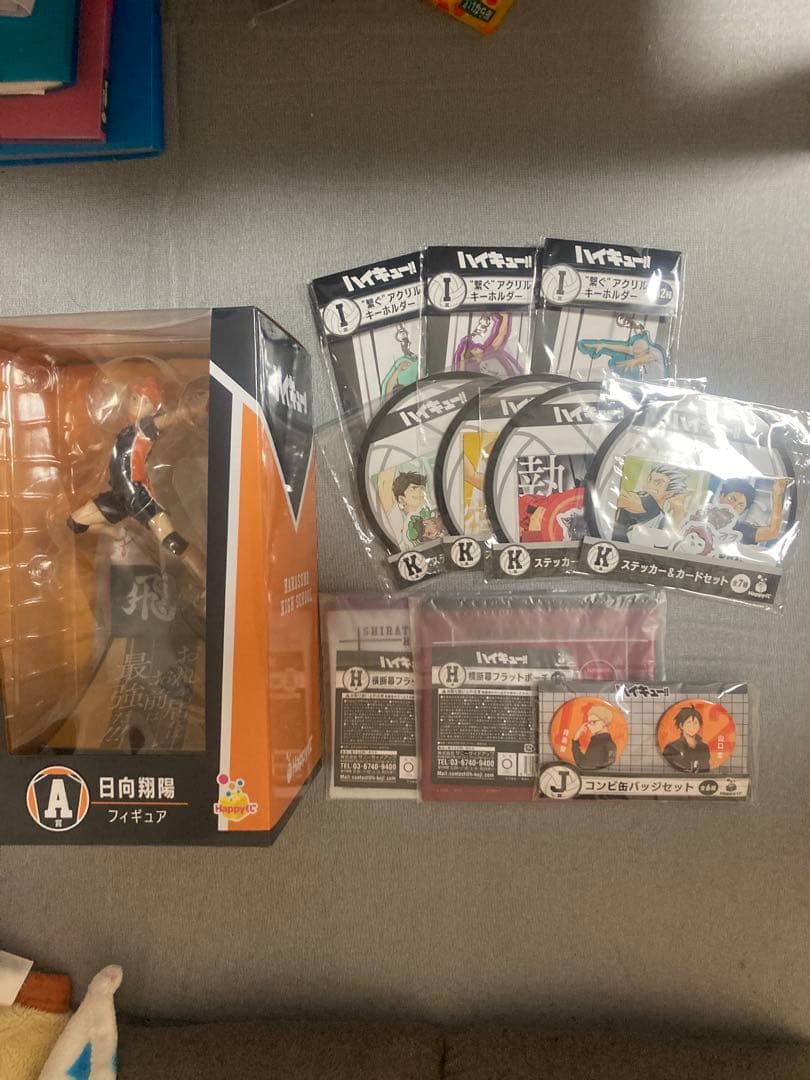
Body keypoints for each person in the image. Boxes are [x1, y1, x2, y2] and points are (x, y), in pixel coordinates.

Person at [67, 377, 206, 587]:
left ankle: (205, 577)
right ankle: (117, 533)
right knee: (75, 523)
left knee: (171, 541)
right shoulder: (126, 430)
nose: (137, 404)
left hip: (139, 494)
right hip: (118, 495)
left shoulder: (145, 426)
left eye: (145, 401)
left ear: (153, 408)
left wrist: (191, 410)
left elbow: (170, 419)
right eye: (134, 398)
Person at [614, 463, 689, 543]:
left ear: (668, 494)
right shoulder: (646, 500)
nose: (648, 485)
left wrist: (678, 511)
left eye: (658, 483)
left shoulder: (660, 517)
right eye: (649, 479)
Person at [376, 468, 444, 550]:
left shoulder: (431, 507)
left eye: (422, 488)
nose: (420, 491)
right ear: (401, 499)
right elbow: (384, 484)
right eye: (414, 488)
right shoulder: (398, 520)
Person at [717, 477, 787, 546]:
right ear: (721, 496)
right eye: (731, 499)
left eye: (740, 505)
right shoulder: (709, 512)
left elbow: (772, 532)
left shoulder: (740, 531)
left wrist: (777, 494)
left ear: (743, 511)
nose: (733, 506)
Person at [576, 330, 668, 380]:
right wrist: (604, 345)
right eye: (634, 352)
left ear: (646, 350)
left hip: (658, 387)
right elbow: (623, 348)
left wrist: (635, 361)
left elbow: (649, 357)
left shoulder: (655, 352)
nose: (636, 353)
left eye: (638, 353)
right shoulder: (638, 351)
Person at [452, 313, 523, 377]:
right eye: (475, 349)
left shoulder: (488, 352)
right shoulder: (486, 354)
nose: (478, 347)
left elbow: (500, 335)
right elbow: (499, 337)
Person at [662, 705, 711, 773]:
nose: (692, 726)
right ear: (681, 725)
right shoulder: (672, 748)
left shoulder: (704, 747)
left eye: (695, 723)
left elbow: (706, 769)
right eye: (688, 723)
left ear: (700, 726)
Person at [571, 702, 617, 770]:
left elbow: (583, 764)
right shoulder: (602, 741)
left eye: (593, 722)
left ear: (604, 722)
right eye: (589, 723)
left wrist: (575, 740)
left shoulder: (602, 743)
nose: (589, 726)